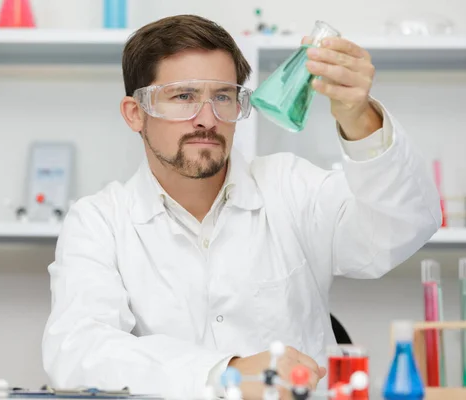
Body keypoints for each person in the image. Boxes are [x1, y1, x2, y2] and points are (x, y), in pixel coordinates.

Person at [42, 14, 441, 400]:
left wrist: (361, 120)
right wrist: (223, 374)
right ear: (135, 113)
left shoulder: (291, 189)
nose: (207, 119)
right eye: (183, 97)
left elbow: (401, 228)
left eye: (223, 97)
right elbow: (79, 351)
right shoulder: (99, 222)